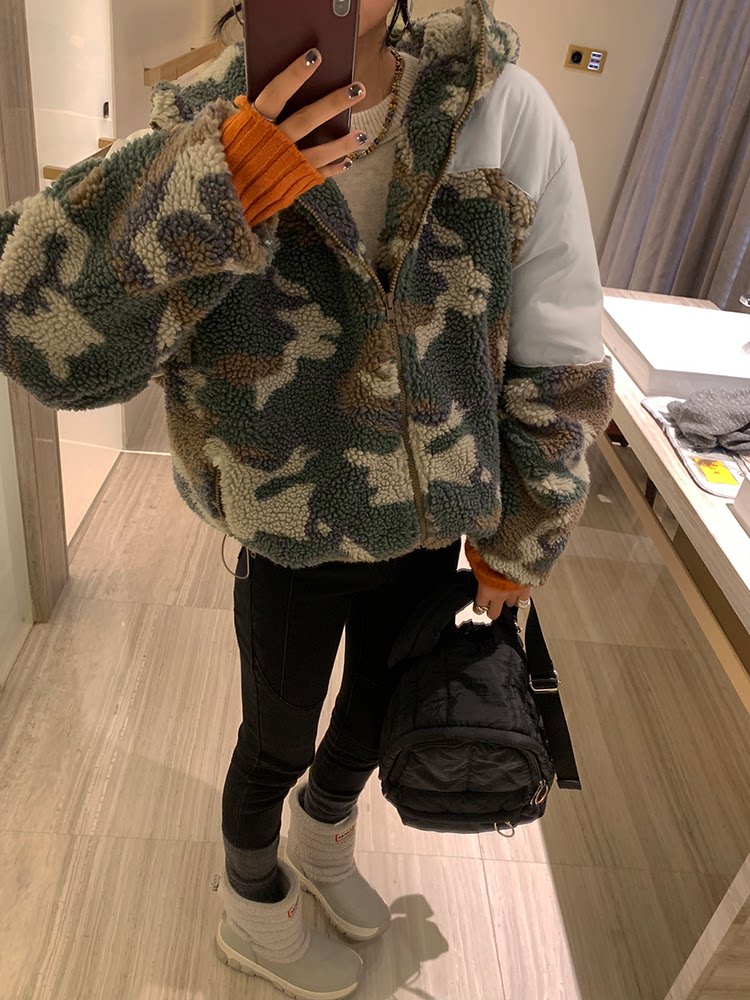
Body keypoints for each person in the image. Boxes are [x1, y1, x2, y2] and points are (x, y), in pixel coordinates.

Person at [0, 0, 613, 996]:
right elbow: (45, 340)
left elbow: (560, 340)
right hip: (285, 527)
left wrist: (526, 531)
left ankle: (324, 844)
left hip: (430, 523)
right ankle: (251, 903)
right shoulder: (195, 120)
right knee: (274, 738)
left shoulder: (498, 110)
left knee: (370, 719)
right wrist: (215, 187)